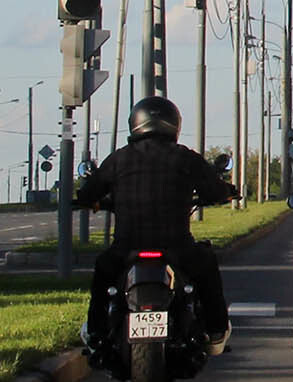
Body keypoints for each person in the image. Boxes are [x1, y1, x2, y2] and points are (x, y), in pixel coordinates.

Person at [77, 96, 238, 354]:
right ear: (173, 124)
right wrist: (226, 193)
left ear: (135, 124)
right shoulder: (184, 157)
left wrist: (93, 201)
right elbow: (214, 189)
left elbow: (88, 193)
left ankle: (96, 332)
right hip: (176, 247)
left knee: (103, 273)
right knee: (206, 267)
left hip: (126, 248)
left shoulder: (119, 159)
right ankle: (215, 330)